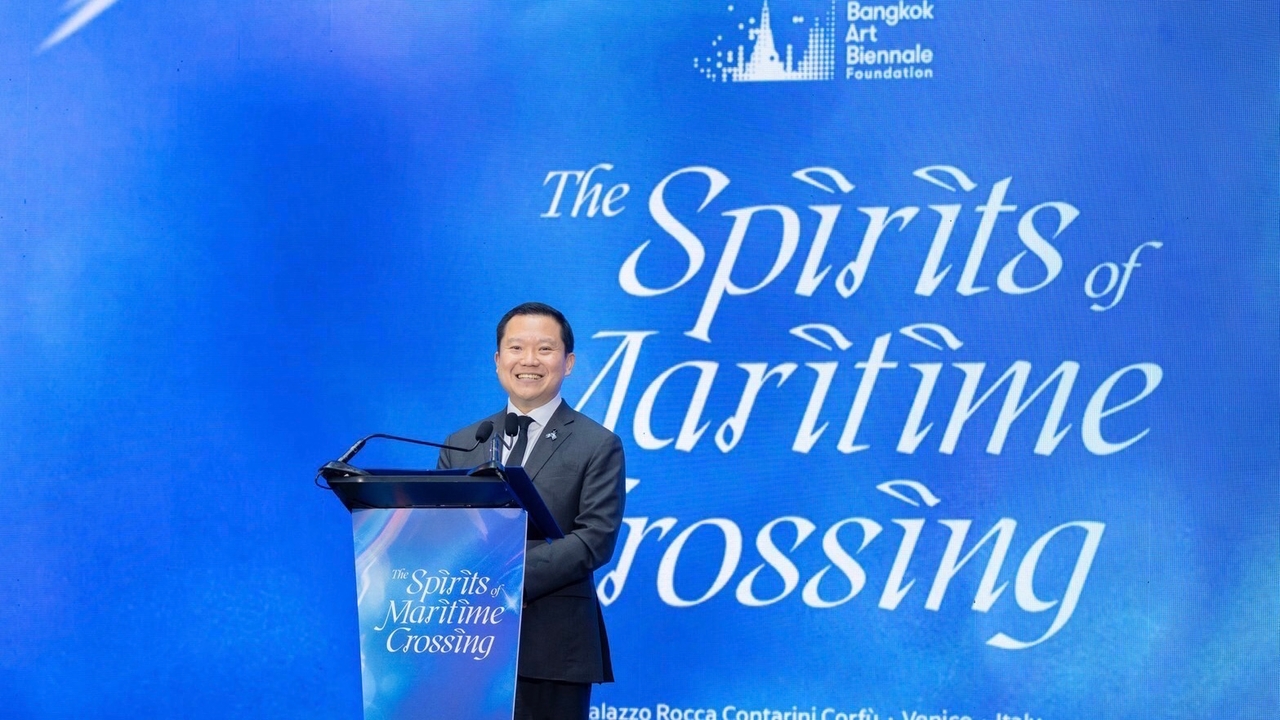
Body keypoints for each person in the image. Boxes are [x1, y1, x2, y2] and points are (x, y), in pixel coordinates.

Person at [437, 302, 625, 720]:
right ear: (498, 360)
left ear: (568, 363)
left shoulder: (597, 444)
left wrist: (509, 575)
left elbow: (594, 539)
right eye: (517, 348)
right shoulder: (462, 442)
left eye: (544, 349)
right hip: (465, 644)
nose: (529, 360)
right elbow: (443, 532)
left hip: (552, 644)